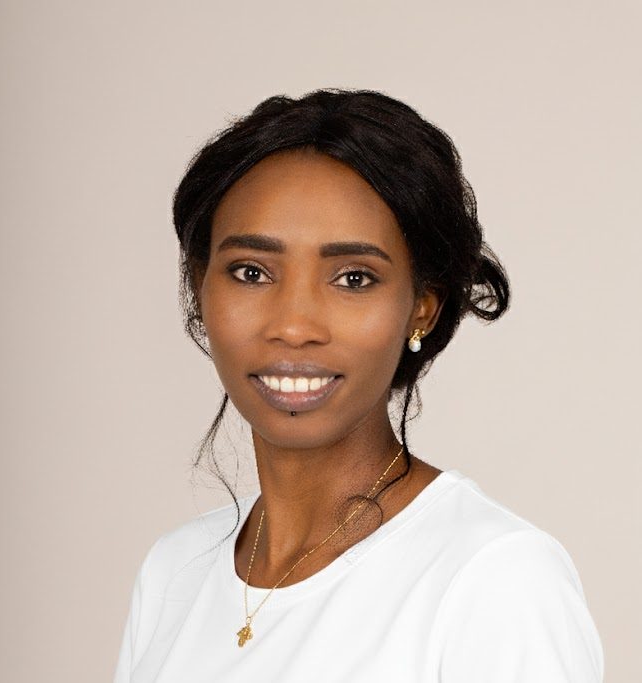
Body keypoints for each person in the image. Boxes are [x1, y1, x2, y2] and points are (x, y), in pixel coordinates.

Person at [113, 89, 604, 682]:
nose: (294, 326)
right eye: (252, 272)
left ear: (422, 306)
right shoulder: (175, 571)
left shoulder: (493, 578)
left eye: (353, 278)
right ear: (201, 290)